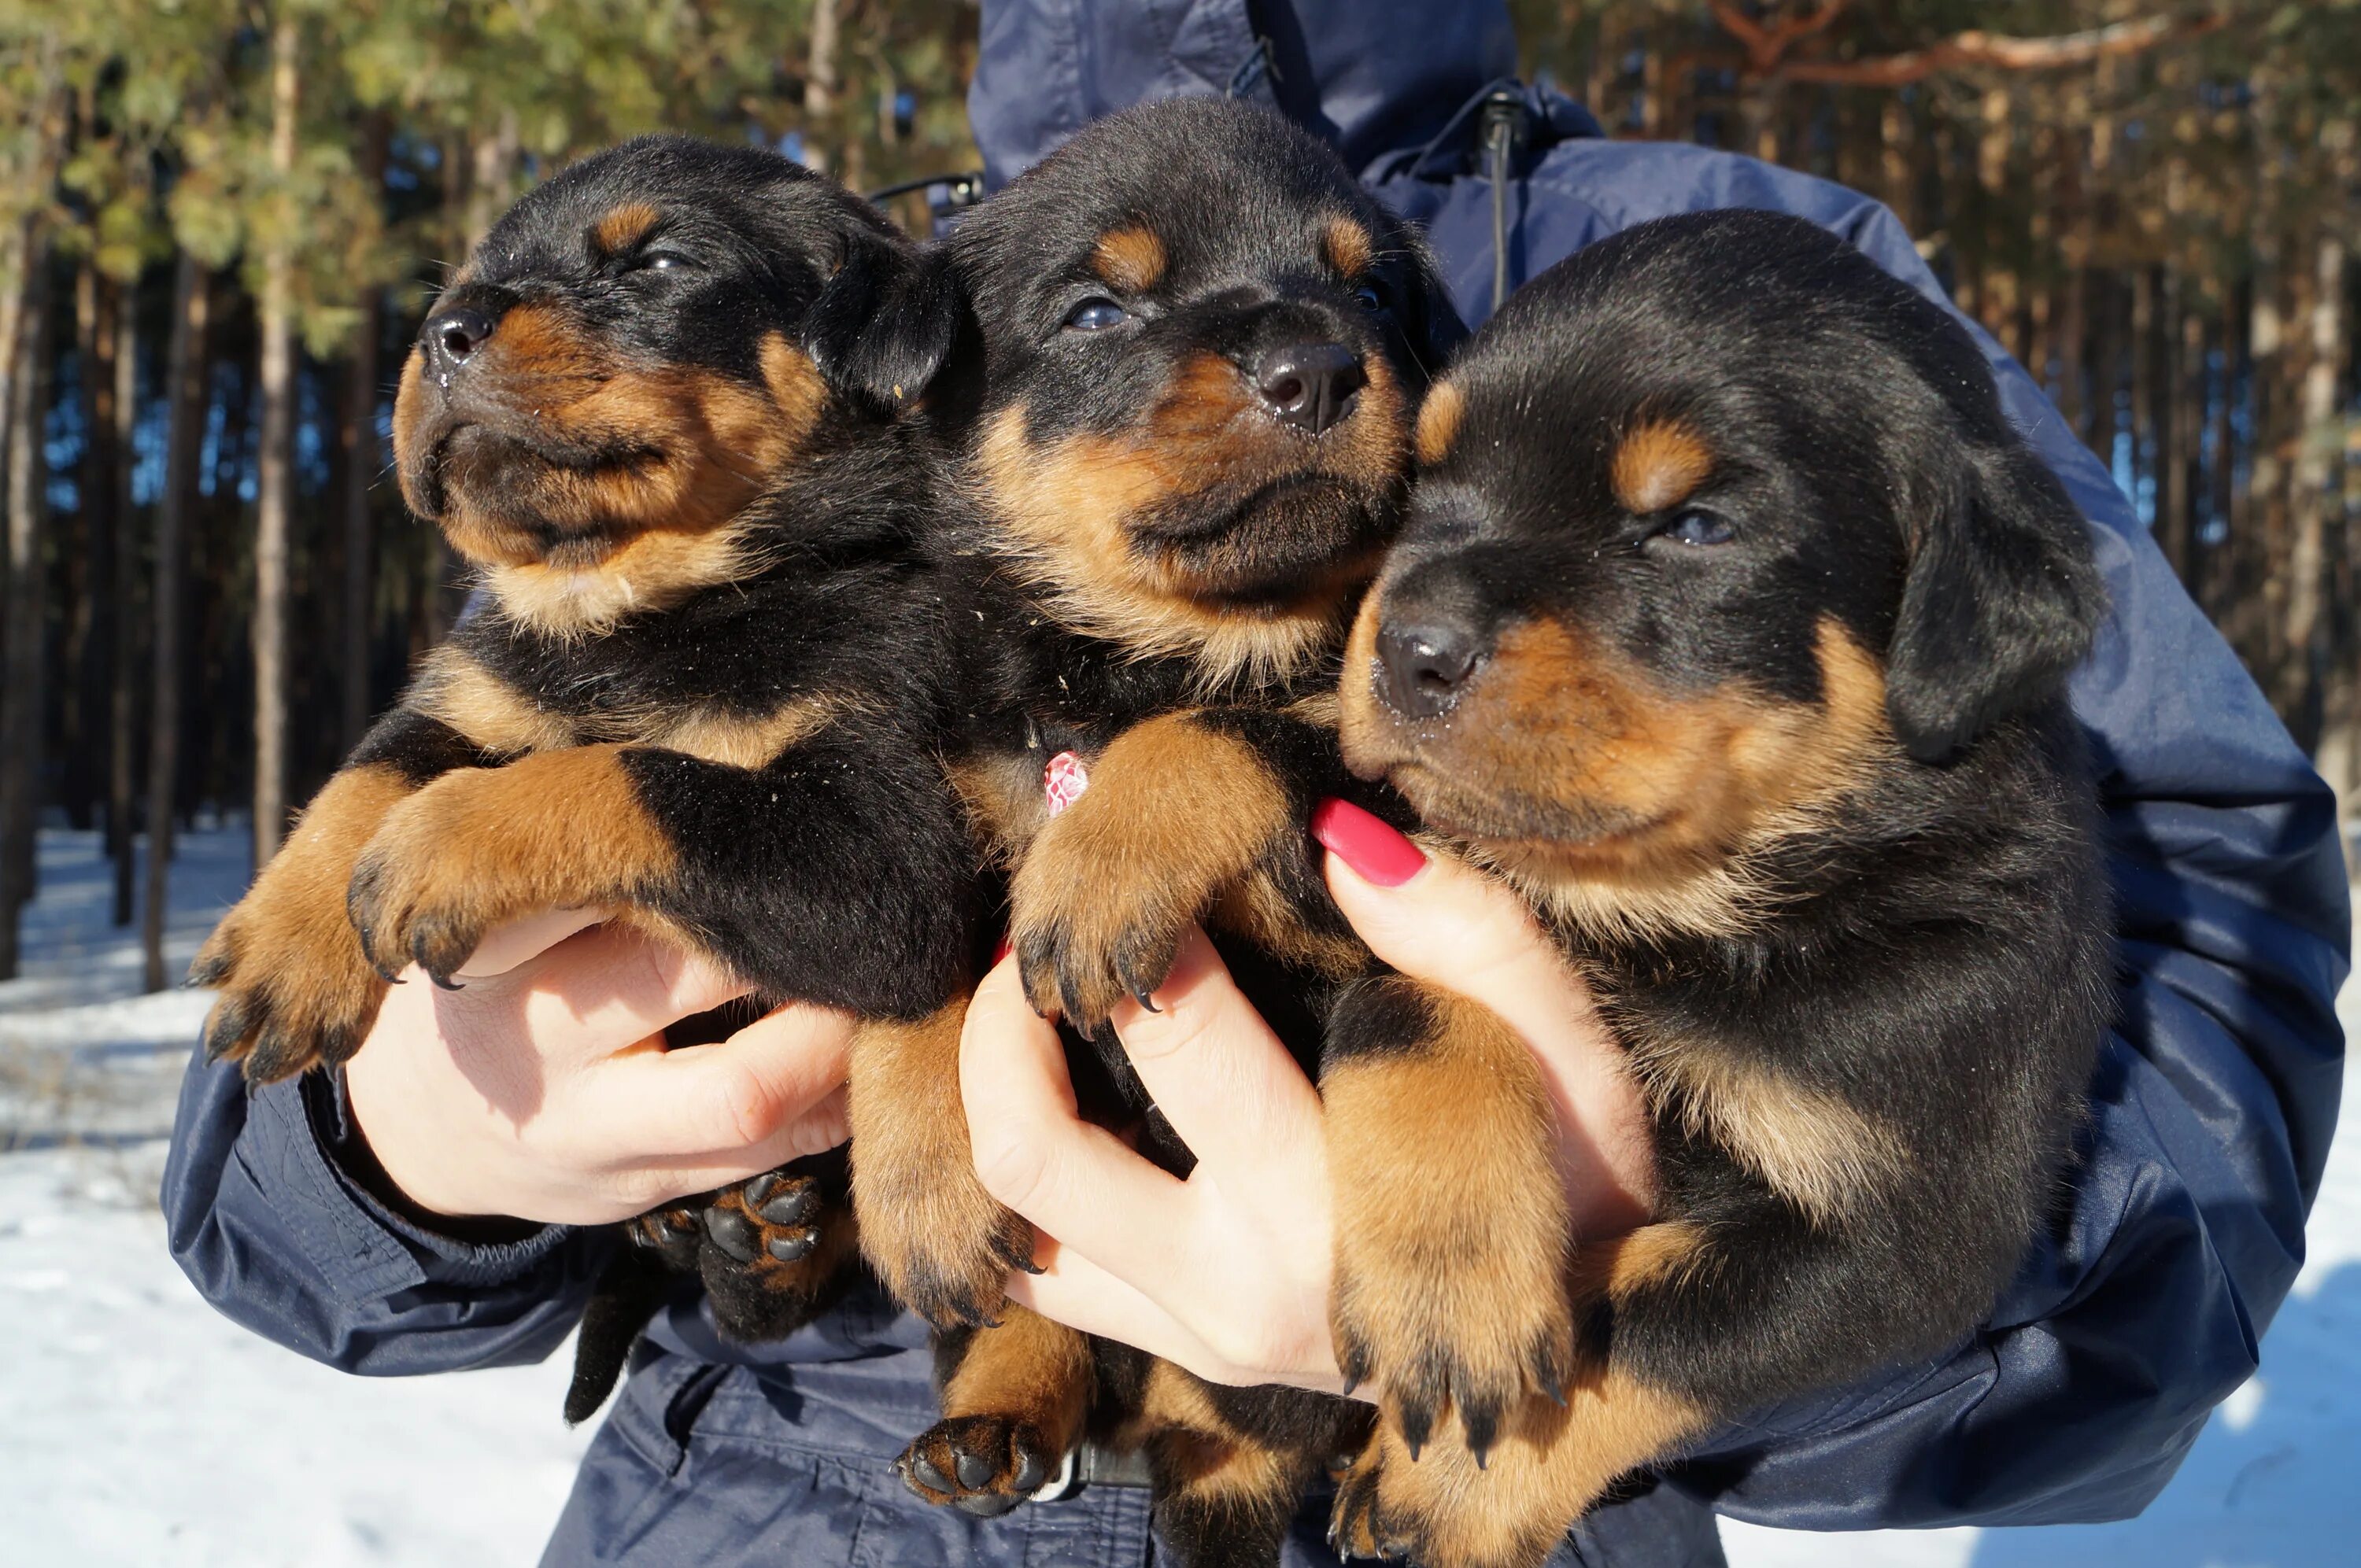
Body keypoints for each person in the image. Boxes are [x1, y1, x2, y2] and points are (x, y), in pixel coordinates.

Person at [162, 4, 2348, 1565]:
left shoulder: (1725, 263)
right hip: (776, 1487)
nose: (1289, 373)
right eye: (1111, 330)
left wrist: (1661, 1291)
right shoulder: (871, 274)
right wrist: (401, 1135)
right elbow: (677, 773)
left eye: (1350, 330)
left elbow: (2181, 948)